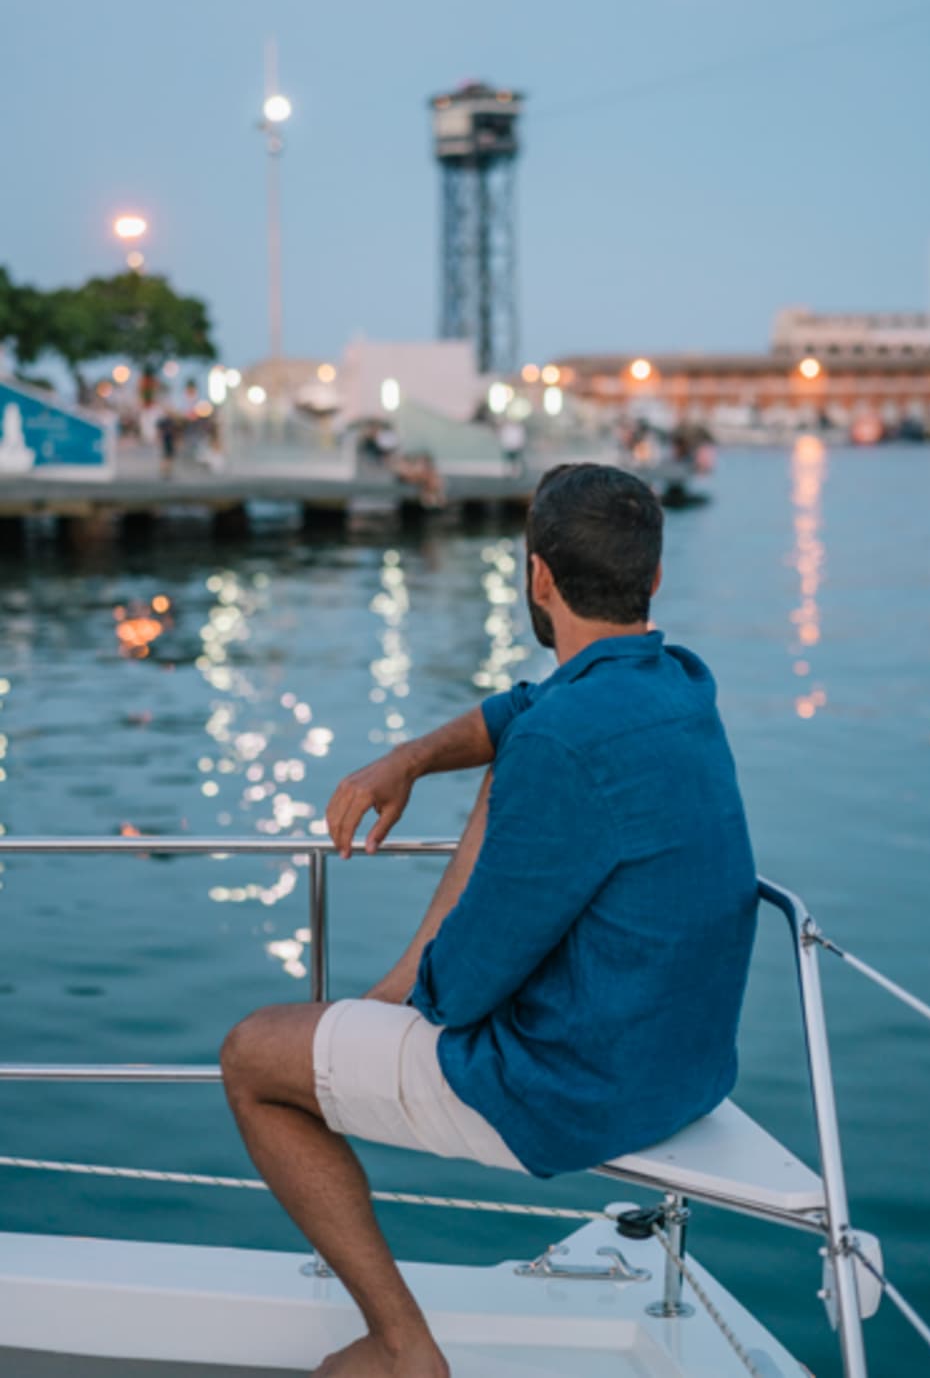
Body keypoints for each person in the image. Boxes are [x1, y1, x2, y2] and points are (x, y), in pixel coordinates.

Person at [220, 463, 758, 1378]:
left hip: (574, 1089)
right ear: (652, 580)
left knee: (254, 1057)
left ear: (538, 579)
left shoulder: (564, 738)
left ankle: (403, 1347)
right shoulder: (680, 683)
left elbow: (467, 990)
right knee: (512, 750)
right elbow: (521, 711)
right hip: (690, 1067)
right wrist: (413, 758)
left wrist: (416, 997)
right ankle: (381, 1004)